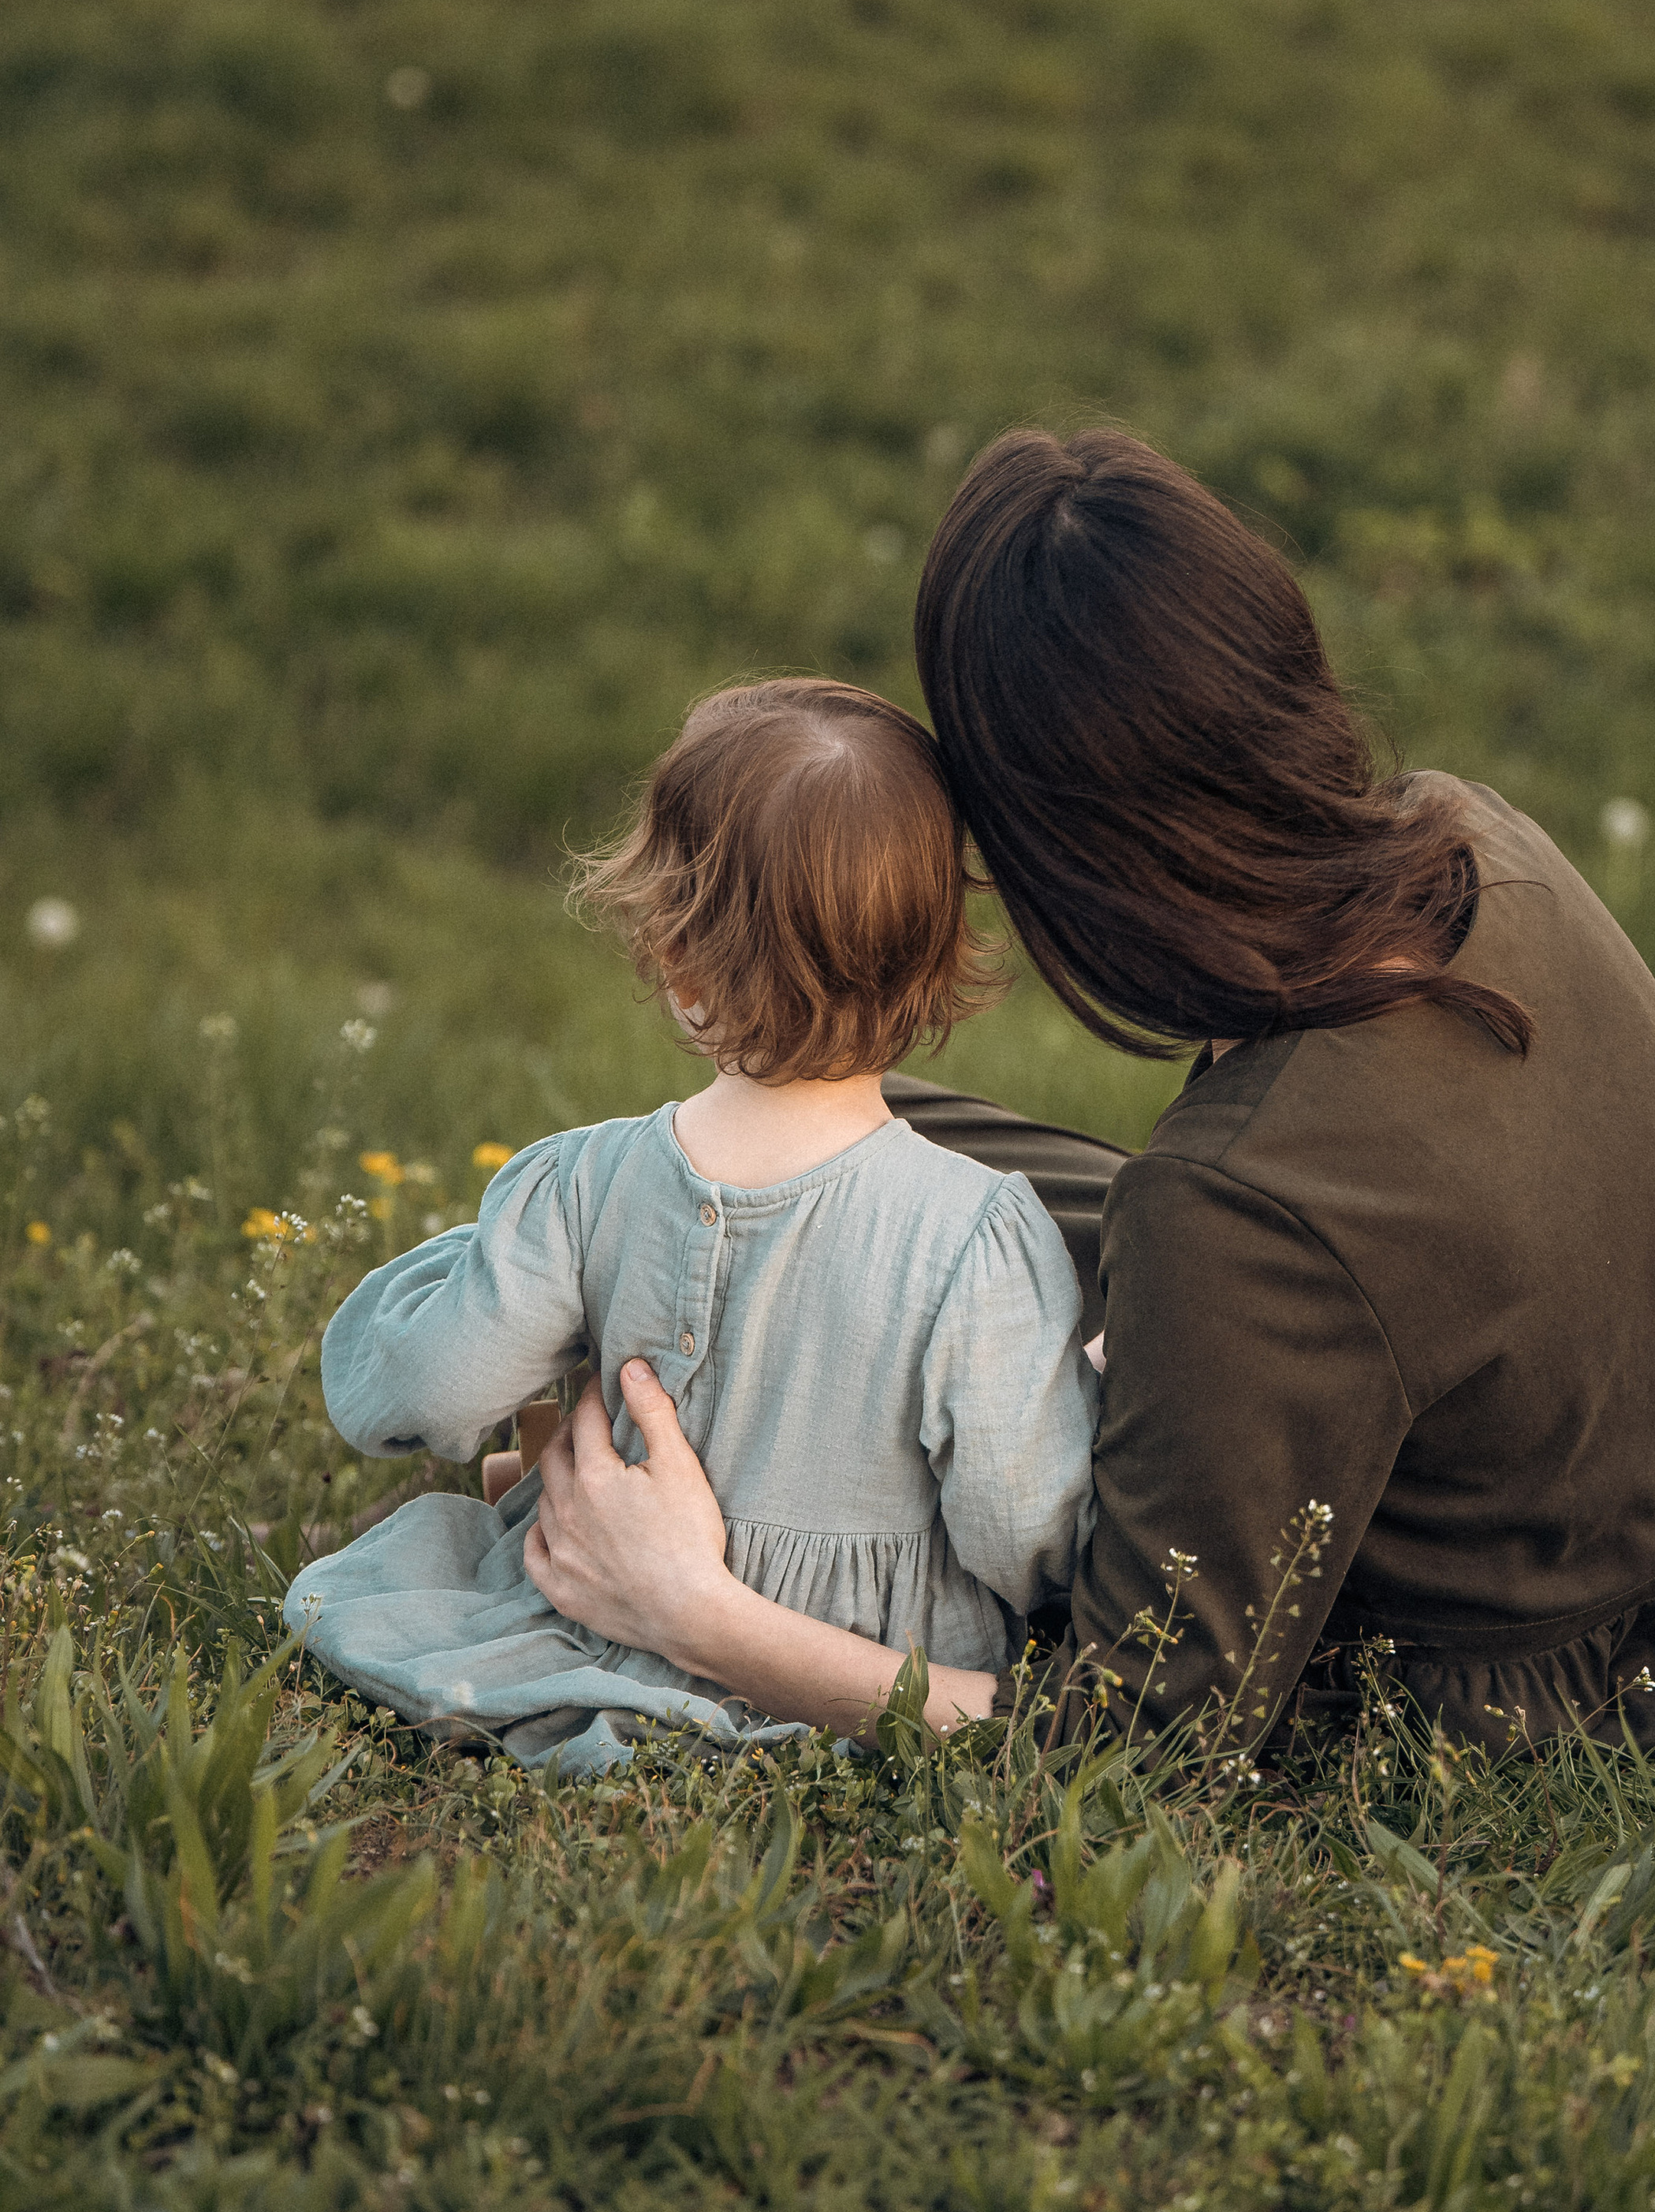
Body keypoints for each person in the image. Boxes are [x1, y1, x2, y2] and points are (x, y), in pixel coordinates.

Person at [520, 429, 1655, 1762]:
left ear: (1062, 839)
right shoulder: (1467, 832)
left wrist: (696, 1613)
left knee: (931, 1225)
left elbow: (1135, 1741)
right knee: (863, 1137)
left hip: (1575, 1665)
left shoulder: (1240, 1213)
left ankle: (672, 1503)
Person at [284, 678, 1096, 1772]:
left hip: (588, 1621)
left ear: (676, 960)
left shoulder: (584, 1182)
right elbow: (1025, 1531)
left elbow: (429, 1387)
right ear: (940, 953)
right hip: (850, 1675)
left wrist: (444, 1284)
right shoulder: (976, 1235)